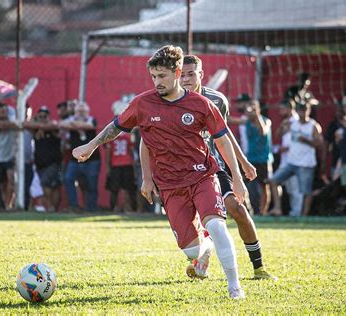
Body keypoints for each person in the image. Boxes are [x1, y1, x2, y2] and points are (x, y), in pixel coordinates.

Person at [72, 45, 246, 299]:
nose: (157, 82)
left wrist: (238, 179)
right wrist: (91, 145)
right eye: (154, 77)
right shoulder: (143, 103)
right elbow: (116, 127)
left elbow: (223, 140)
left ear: (177, 73)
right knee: (191, 251)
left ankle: (235, 287)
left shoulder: (202, 104)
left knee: (217, 225)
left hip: (202, 175)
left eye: (162, 76)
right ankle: (205, 247)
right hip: (170, 184)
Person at [143, 54, 274, 279]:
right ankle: (202, 255)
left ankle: (258, 267)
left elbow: (224, 134)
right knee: (197, 228)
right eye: (182, 74)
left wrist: (242, 164)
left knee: (237, 209)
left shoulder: (217, 100)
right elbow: (146, 139)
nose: (186, 79)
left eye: (191, 74)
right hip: (179, 173)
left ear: (201, 75)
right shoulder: (163, 100)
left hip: (212, 166)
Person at [269, 102, 323, 216]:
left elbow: (319, 143)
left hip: (306, 163)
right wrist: (282, 126)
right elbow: (278, 135)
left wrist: (306, 140)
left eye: (304, 110)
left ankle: (304, 215)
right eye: (300, 110)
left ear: (309, 111)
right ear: (297, 111)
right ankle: (277, 209)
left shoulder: (313, 126)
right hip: (291, 162)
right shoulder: (292, 124)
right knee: (274, 181)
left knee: (305, 190)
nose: (302, 113)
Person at [62, 101, 101, 212]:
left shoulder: (91, 119)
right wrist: (76, 124)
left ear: (87, 112)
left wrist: (73, 124)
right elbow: (61, 124)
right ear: (75, 112)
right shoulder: (71, 119)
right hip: (75, 159)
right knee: (68, 179)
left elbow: (89, 125)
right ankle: (74, 206)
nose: (81, 113)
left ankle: (91, 208)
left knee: (92, 184)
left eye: (83, 111)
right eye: (79, 111)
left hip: (92, 159)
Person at [24, 106, 62, 212]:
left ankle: (50, 206)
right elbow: (25, 124)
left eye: (44, 116)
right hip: (40, 163)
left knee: (46, 183)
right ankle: (53, 208)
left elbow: (54, 125)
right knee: (51, 185)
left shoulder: (52, 126)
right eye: (40, 116)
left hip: (53, 162)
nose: (42, 118)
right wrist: (38, 125)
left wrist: (41, 127)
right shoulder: (35, 128)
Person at [239, 99, 273, 215]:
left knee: (264, 186)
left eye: (253, 108)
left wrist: (257, 115)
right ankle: (247, 209)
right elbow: (229, 121)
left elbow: (263, 131)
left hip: (263, 159)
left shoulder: (266, 121)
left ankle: (263, 212)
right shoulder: (246, 121)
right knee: (242, 182)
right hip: (251, 159)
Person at [271, 99, 303, 216]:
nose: (280, 111)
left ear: (290, 108)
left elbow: (296, 141)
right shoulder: (286, 121)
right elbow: (278, 135)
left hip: (295, 160)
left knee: (295, 188)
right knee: (279, 184)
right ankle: (280, 209)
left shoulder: (297, 121)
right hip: (285, 160)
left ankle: (297, 213)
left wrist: (284, 148)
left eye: (282, 109)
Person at [105, 104, 136, 212]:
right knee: (127, 189)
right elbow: (131, 150)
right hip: (126, 163)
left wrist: (108, 166)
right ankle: (128, 209)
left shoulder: (111, 136)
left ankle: (114, 208)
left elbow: (108, 152)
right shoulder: (128, 135)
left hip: (117, 164)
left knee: (116, 189)